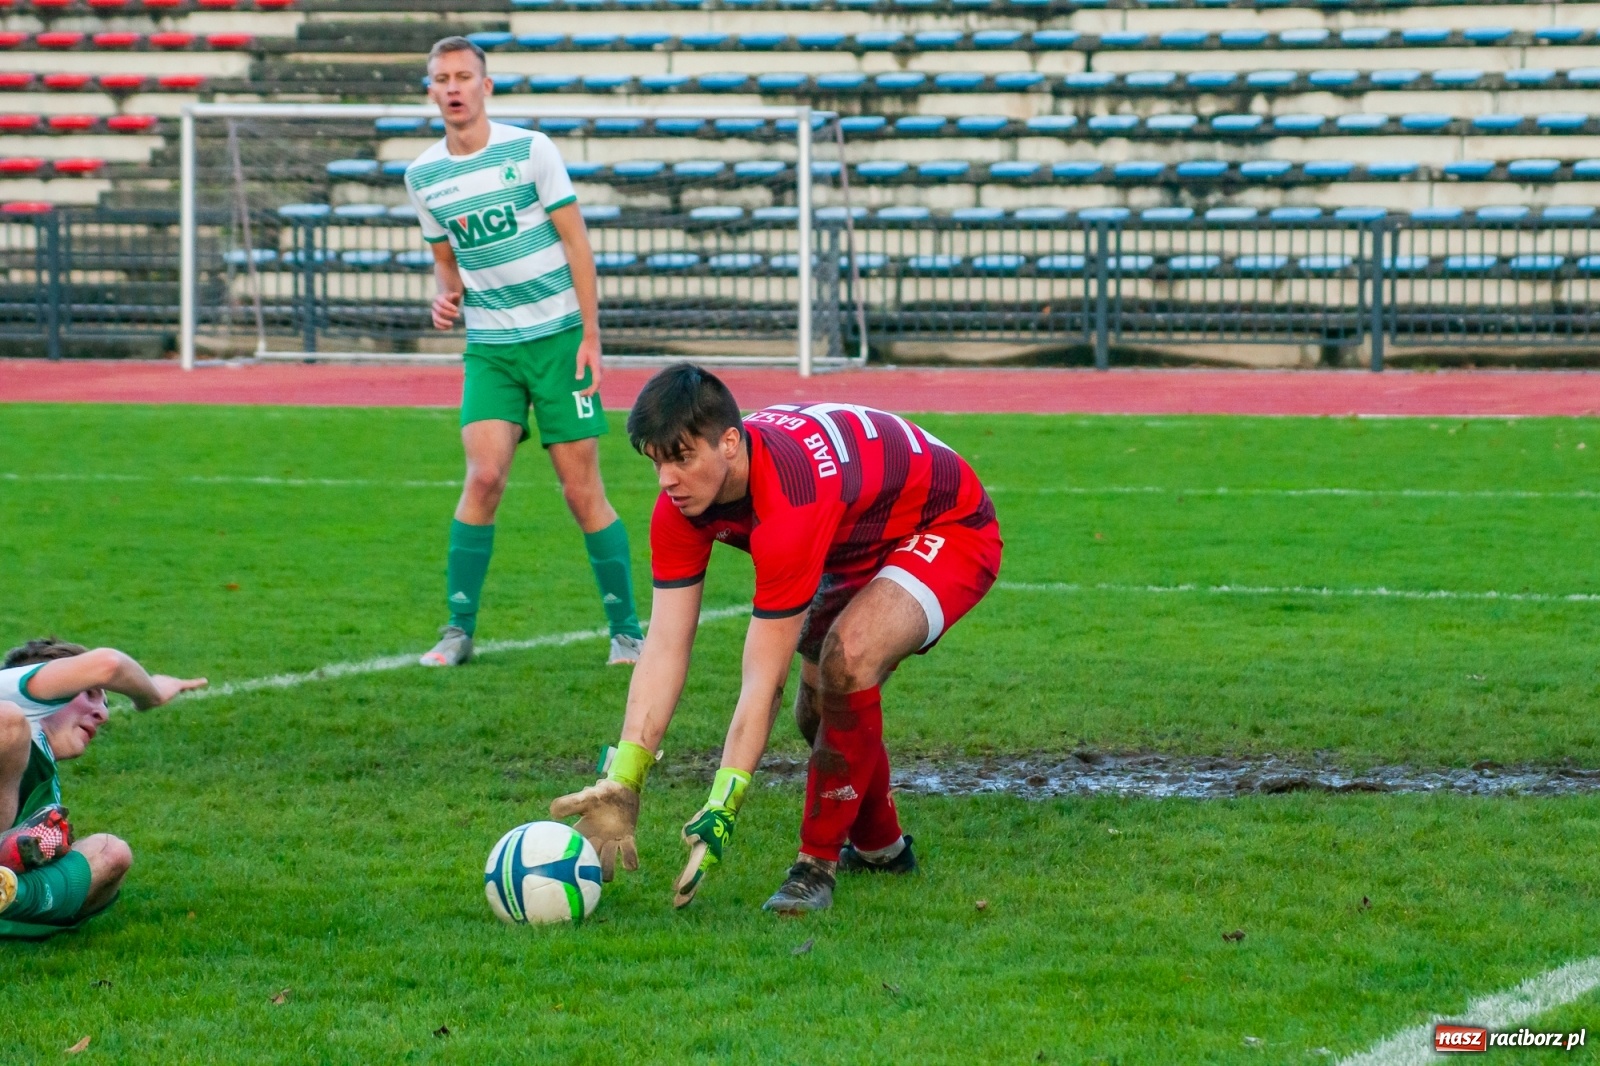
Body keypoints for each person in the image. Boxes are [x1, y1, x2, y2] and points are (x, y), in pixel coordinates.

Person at [551, 364, 1003, 913]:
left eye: (682, 457)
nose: (666, 479)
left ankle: (815, 867)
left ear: (731, 443)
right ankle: (883, 850)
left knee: (846, 661)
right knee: (816, 710)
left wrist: (724, 804)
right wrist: (625, 777)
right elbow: (665, 646)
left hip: (945, 524)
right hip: (850, 537)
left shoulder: (788, 502)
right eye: (657, 460)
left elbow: (760, 681)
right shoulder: (679, 507)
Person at [406, 35, 643, 668]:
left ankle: (627, 632)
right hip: (490, 348)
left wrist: (592, 336)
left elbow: (576, 244)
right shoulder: (423, 175)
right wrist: (444, 299)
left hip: (559, 339)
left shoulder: (532, 150)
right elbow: (446, 267)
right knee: (483, 478)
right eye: (441, 78)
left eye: (463, 76)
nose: (452, 87)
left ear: (486, 86)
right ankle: (457, 631)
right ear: (430, 90)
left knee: (579, 489)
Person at [0, 638, 206, 938]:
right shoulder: (11, 691)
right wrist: (153, 694)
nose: (103, 715)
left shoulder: (46, 794)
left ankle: (12, 892)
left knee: (110, 853)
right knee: (8, 720)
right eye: (90, 694)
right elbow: (109, 664)